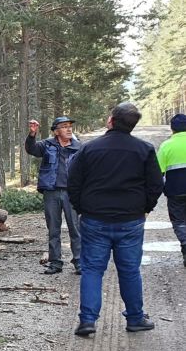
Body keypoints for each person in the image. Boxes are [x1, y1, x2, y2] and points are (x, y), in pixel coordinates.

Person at [67, 103, 164, 336]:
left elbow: (73, 182)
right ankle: (135, 318)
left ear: (111, 120)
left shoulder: (89, 149)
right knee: (130, 270)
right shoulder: (144, 149)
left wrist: (81, 207)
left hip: (94, 219)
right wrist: (145, 208)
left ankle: (88, 321)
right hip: (130, 220)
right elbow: (156, 185)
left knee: (92, 269)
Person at [24, 116, 82, 274]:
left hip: (71, 193)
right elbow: (31, 149)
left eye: (70, 126)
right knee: (53, 229)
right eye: (64, 126)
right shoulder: (47, 145)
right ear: (56, 131)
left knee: (75, 228)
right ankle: (55, 263)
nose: (69, 129)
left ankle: (79, 262)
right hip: (51, 192)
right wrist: (32, 134)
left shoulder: (79, 147)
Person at [157, 113, 186, 266]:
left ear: (172, 129)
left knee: (179, 221)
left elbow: (158, 172)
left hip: (176, 191)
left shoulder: (166, 145)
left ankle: (185, 244)